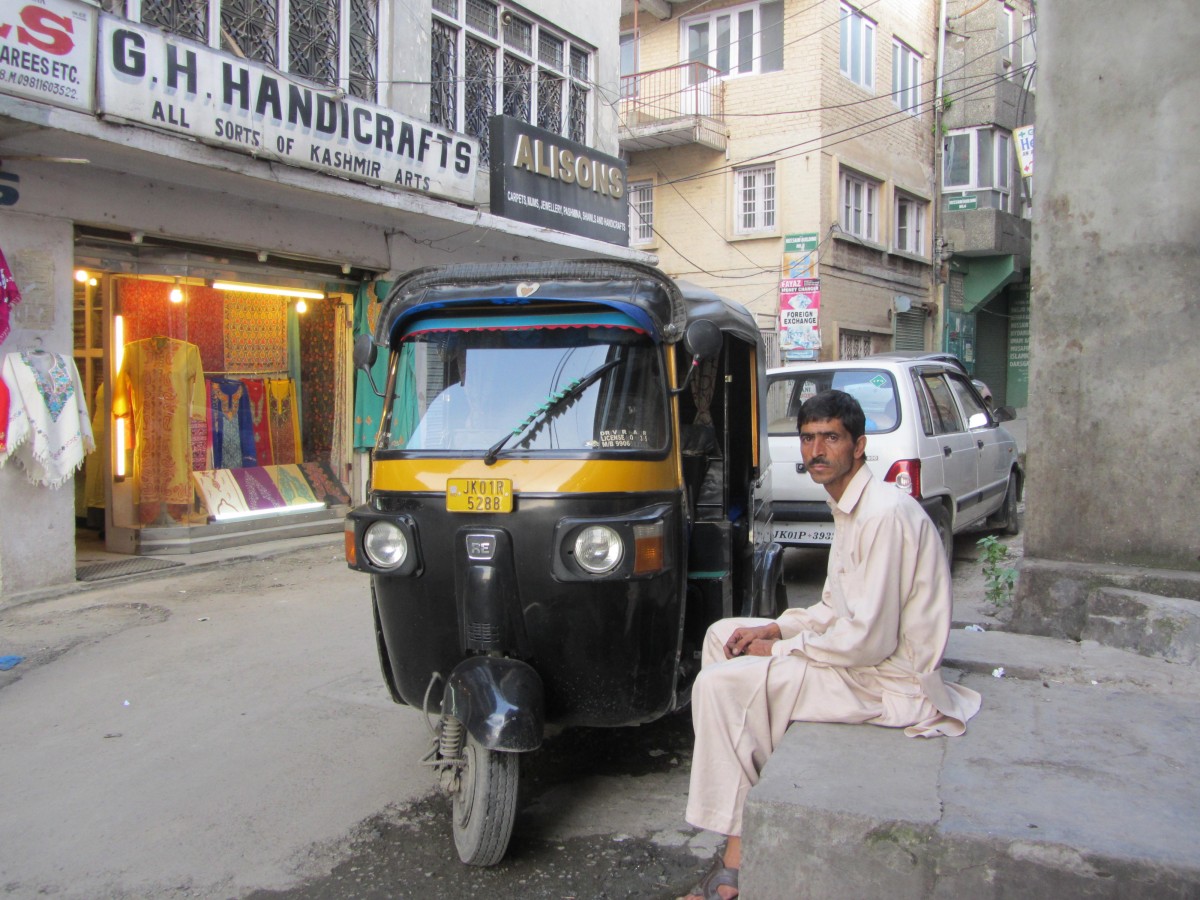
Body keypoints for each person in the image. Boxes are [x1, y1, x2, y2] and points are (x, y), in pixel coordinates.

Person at [680, 389, 981, 900]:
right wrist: (774, 630)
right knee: (722, 636)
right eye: (808, 438)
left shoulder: (882, 514)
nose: (817, 450)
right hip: (857, 659)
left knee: (717, 685)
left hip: (884, 680)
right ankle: (745, 805)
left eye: (831, 438)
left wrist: (776, 652)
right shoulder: (850, 505)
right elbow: (832, 609)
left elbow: (867, 640)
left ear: (858, 446)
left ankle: (736, 854)